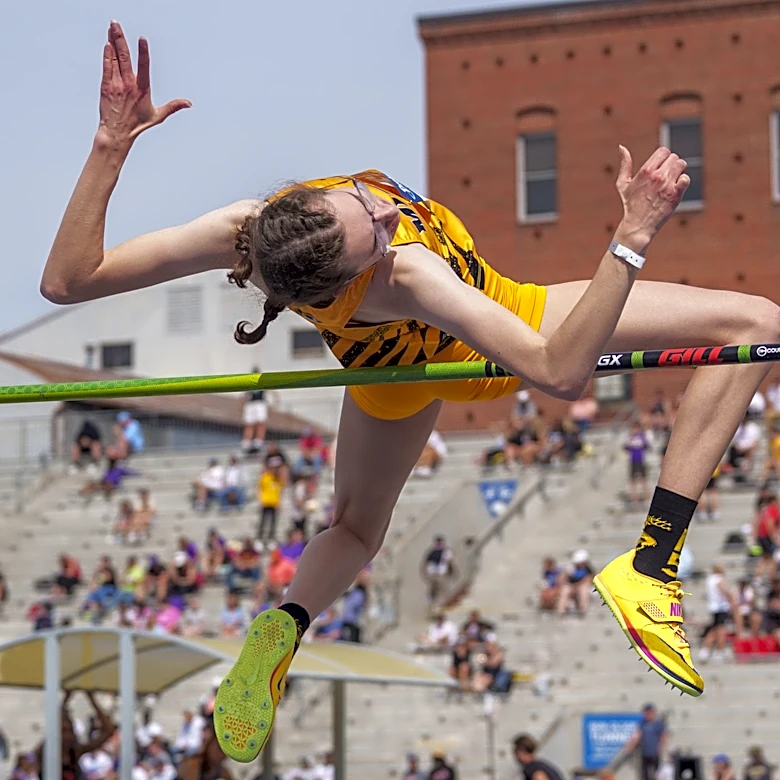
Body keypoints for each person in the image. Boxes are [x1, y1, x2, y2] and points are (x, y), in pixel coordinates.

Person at [41, 21, 780, 759]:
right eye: (380, 230)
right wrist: (633, 235)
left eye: (366, 204)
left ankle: (287, 621)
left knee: (356, 531)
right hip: (501, 330)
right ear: (359, 272)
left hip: (387, 382)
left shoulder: (251, 232)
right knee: (753, 321)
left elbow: (67, 280)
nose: (388, 213)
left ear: (295, 211)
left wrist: (112, 144)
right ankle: (651, 568)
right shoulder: (408, 274)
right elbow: (557, 370)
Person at [618, 704, 668, 780]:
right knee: (645, 775)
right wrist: (629, 747)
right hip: (645, 753)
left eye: (649, 713)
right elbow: (637, 736)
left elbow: (663, 737)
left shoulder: (658, 724)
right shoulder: (643, 724)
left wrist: (660, 749)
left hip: (654, 753)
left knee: (656, 774)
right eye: (646, 713)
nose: (647, 715)